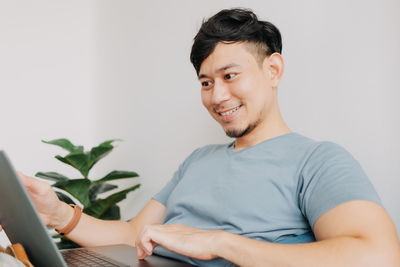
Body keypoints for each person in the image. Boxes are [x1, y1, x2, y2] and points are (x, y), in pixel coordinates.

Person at [3, 8, 400, 266]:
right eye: (206, 82)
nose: (217, 95)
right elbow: (130, 233)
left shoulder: (318, 160)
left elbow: (378, 254)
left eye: (230, 76)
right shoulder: (199, 160)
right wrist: (58, 215)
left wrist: (221, 243)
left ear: (273, 70)